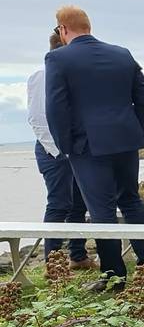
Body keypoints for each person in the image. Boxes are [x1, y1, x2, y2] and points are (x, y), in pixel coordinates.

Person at [45, 6, 144, 290]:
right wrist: (135, 129)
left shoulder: (58, 58)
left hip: (87, 146)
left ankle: (114, 275)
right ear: (88, 25)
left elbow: (56, 108)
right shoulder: (122, 53)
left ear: (62, 29)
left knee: (102, 210)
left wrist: (65, 145)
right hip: (125, 140)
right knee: (132, 200)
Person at [27, 29, 95, 273]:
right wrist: (59, 150)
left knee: (80, 203)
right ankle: (52, 263)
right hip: (52, 149)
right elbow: (37, 118)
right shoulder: (40, 77)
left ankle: (77, 255)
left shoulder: (76, 76)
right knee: (59, 203)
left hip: (77, 148)